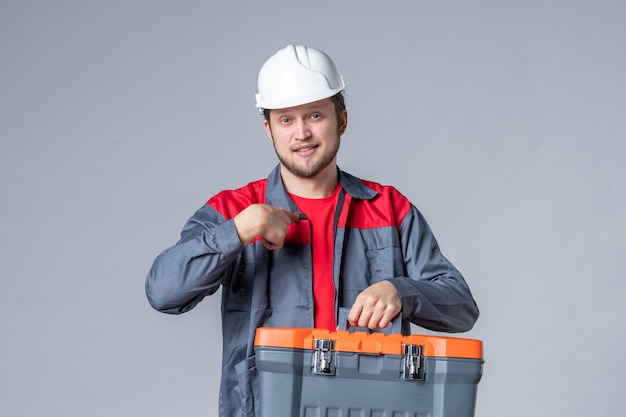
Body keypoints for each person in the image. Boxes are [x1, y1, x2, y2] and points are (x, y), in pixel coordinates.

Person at [145, 44, 479, 417]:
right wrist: (240, 229)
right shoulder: (233, 211)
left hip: (370, 409)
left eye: (315, 115)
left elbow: (462, 308)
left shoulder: (389, 208)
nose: (301, 132)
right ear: (268, 129)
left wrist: (402, 291)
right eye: (286, 119)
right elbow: (163, 291)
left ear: (342, 120)